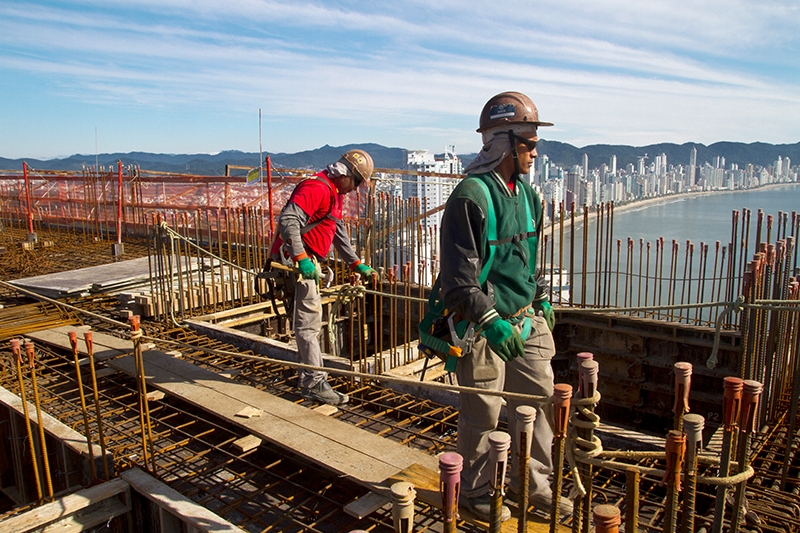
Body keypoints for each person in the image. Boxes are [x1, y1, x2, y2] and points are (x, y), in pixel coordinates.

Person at [439, 91, 569, 521]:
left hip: (523, 320)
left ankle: (534, 488)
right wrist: (491, 321)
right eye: (528, 142)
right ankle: (476, 494)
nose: (535, 151)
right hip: (482, 325)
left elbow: (529, 258)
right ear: (503, 142)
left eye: (535, 142)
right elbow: (458, 280)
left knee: (539, 402)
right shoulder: (470, 197)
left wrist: (542, 295)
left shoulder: (529, 197)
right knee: (483, 413)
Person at [270, 149, 377, 405]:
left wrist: (355, 263)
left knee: (309, 324)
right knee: (308, 326)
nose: (356, 189)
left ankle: (310, 377)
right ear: (346, 175)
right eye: (357, 182)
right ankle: (313, 383)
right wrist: (301, 258)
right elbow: (288, 221)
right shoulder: (317, 188)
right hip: (298, 263)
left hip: (306, 262)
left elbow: (336, 229)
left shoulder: (334, 193)